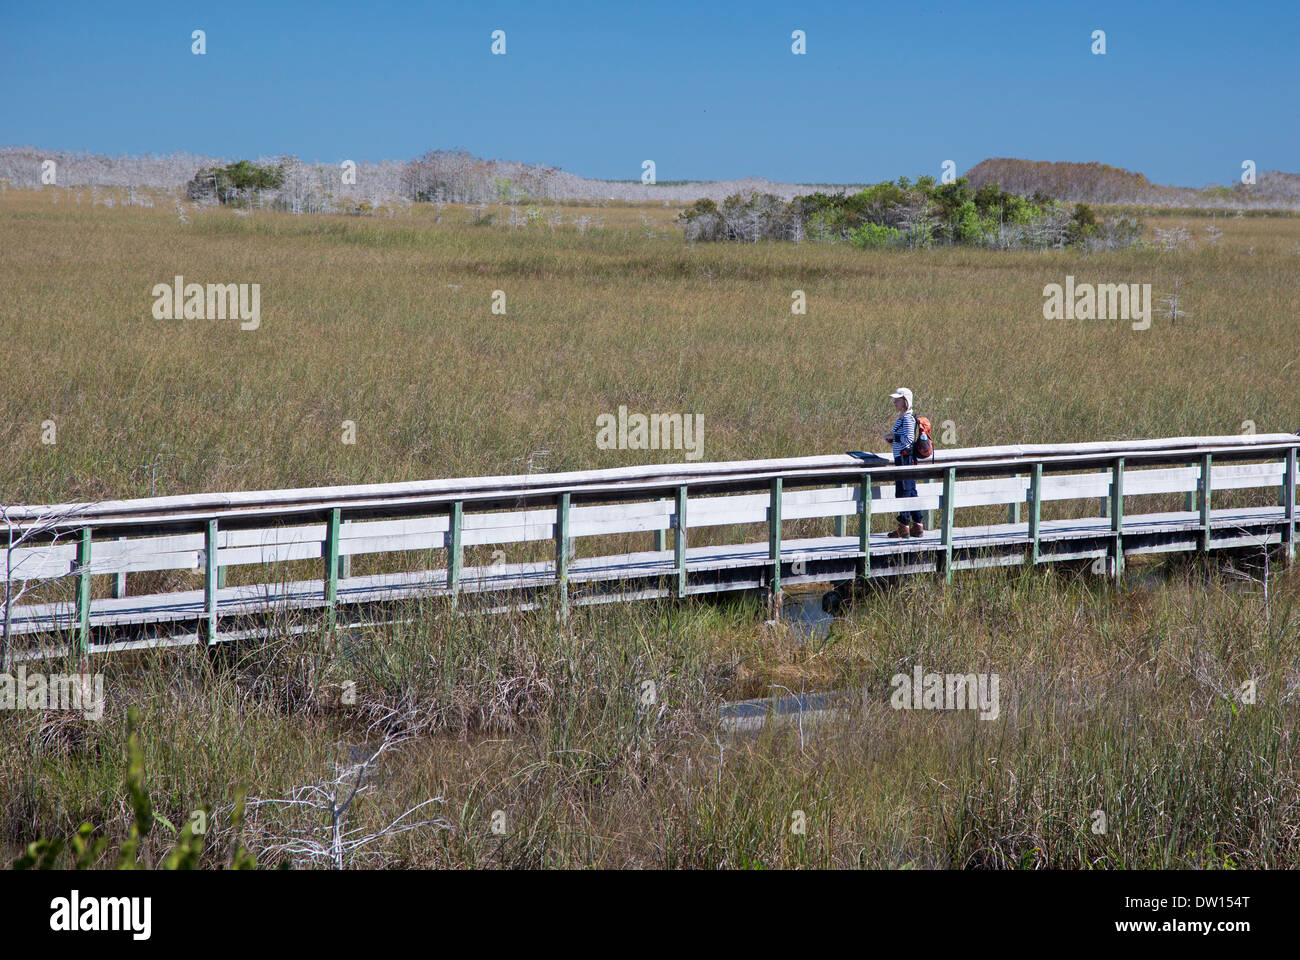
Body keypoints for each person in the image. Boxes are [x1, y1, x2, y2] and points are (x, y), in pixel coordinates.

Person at [881, 387, 924, 537]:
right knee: (911, 491)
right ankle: (917, 525)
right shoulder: (906, 417)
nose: (894, 402)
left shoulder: (906, 418)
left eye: (897, 400)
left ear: (905, 401)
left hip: (904, 459)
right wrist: (893, 441)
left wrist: (893, 438)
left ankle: (904, 526)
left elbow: (908, 440)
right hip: (906, 458)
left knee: (903, 490)